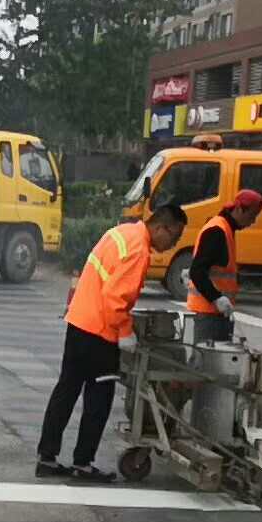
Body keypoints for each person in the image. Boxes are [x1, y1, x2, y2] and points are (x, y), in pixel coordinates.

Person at [37, 205, 188, 482]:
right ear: (161, 228)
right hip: (100, 333)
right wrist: (126, 332)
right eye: (175, 237)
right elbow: (115, 300)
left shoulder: (121, 232)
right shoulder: (140, 250)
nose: (173, 245)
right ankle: (83, 463)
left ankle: (46, 458)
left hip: (79, 323)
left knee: (66, 391)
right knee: (99, 399)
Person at [187, 189, 262, 341]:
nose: (253, 221)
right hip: (210, 312)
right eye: (252, 216)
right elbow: (197, 271)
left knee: (213, 361)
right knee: (206, 361)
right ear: (239, 209)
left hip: (217, 312)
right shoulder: (217, 230)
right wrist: (216, 298)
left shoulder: (225, 228)